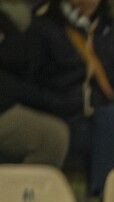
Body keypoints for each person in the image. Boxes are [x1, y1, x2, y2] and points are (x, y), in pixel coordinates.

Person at [23, 0, 114, 194]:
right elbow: (29, 86)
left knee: (112, 118)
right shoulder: (43, 27)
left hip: (105, 114)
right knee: (112, 123)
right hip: (62, 115)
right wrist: (67, 102)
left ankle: (110, 199)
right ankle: (111, 200)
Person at [0, 8, 69, 166]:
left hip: (9, 101)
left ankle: (19, 184)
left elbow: (21, 52)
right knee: (52, 136)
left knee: (54, 135)